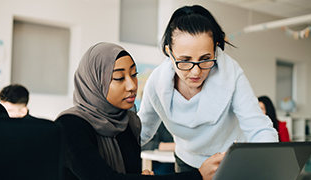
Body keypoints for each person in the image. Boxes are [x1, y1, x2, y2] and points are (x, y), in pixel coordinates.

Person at [138, 4, 278, 173]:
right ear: (169, 53)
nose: (196, 71)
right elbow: (141, 132)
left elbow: (258, 127)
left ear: (215, 51)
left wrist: (270, 166)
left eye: (205, 59)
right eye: (185, 60)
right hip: (186, 160)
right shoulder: (156, 82)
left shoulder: (230, 73)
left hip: (227, 159)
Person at [55, 42, 225, 180]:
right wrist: (197, 176)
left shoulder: (129, 123)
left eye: (134, 74)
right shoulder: (70, 126)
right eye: (119, 78)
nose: (132, 86)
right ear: (94, 83)